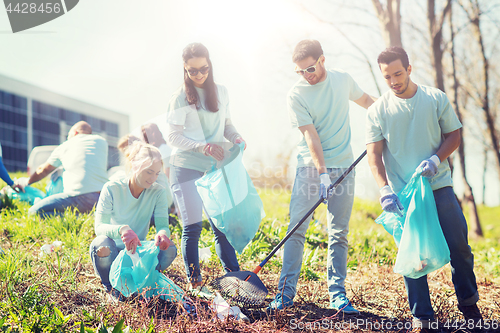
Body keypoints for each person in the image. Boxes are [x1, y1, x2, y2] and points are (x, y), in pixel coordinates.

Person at [366, 46, 482, 331]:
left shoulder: (434, 98)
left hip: (438, 185)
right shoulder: (378, 110)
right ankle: (423, 316)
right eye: (387, 77)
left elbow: (454, 135)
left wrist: (435, 159)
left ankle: (469, 305)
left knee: (460, 247)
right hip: (404, 194)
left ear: (409, 68)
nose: (393, 81)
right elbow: (373, 154)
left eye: (397, 73)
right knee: (412, 255)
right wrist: (383, 189)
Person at [268, 40, 376, 313]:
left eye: (311, 68)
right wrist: (323, 175)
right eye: (301, 71)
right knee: (296, 230)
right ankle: (284, 294)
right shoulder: (296, 94)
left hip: (344, 166)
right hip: (311, 168)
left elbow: (366, 102)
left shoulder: (342, 80)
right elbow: (311, 136)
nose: (307, 75)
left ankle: (338, 296)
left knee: (339, 233)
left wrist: (392, 113)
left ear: (323, 60)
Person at [166, 42, 245, 295]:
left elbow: (227, 125)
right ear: (185, 69)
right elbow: (173, 138)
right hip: (186, 167)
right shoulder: (179, 97)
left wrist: (237, 138)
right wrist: (203, 147)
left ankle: (234, 279)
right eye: (192, 71)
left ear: (210, 65)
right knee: (192, 226)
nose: (199, 75)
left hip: (214, 168)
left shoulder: (221, 92)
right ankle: (195, 282)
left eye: (203, 69)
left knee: (221, 225)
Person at [89, 141, 177, 299]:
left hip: (136, 253)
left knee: (170, 248)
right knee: (101, 243)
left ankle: (141, 283)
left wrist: (163, 234)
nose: (153, 178)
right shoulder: (112, 188)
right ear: (134, 165)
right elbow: (99, 227)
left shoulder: (158, 192)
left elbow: (163, 226)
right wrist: (121, 229)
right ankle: (111, 288)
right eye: (149, 172)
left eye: (157, 173)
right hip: (112, 253)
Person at [17, 121, 109, 217]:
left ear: (75, 133)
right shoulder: (102, 142)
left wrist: (27, 182)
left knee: (33, 213)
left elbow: (42, 171)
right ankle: (88, 216)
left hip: (77, 196)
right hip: (102, 198)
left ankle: (77, 218)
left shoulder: (65, 146)